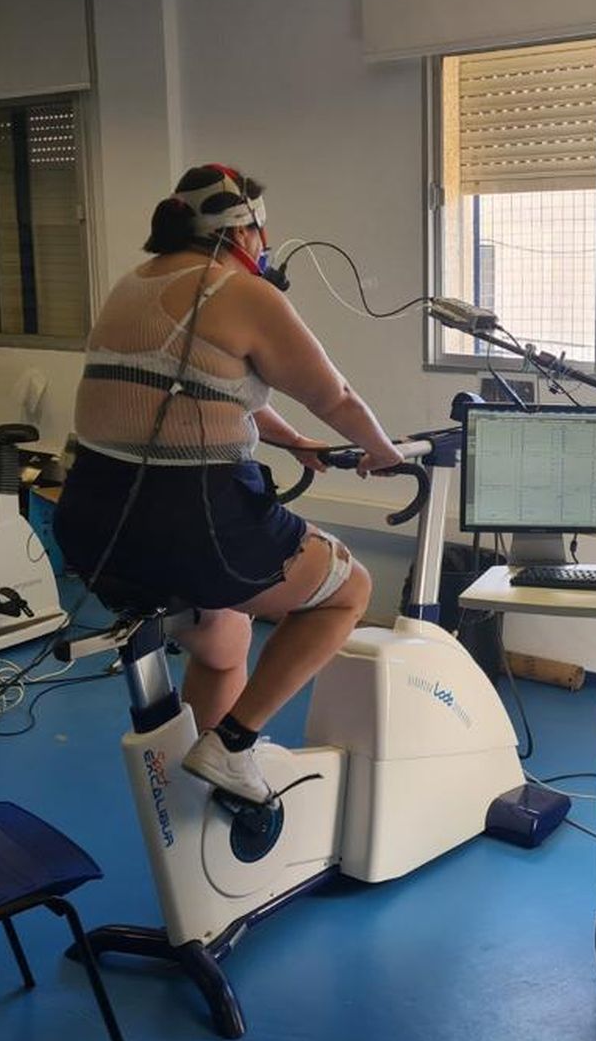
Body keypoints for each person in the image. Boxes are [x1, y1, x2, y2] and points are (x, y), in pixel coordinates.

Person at [54, 164, 403, 804]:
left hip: (92, 528)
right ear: (245, 230)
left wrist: (292, 439)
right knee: (348, 589)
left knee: (226, 642)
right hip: (197, 527)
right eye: (263, 232)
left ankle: (206, 774)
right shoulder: (240, 292)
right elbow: (339, 396)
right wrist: (385, 454)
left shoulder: (132, 283)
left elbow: (200, 385)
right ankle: (234, 742)